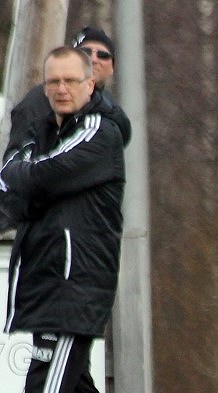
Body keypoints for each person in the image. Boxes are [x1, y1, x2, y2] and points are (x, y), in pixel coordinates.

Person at [0, 46, 152, 393]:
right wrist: (23, 175)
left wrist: (23, 173)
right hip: (48, 281)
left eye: (70, 81)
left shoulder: (99, 133)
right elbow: (17, 183)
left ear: (91, 85)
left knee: (42, 386)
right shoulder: (47, 131)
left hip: (75, 284)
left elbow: (36, 177)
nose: (61, 90)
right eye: (53, 82)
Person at [3, 26, 130, 238]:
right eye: (85, 52)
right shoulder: (38, 103)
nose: (94, 59)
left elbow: (52, 173)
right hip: (30, 230)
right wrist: (25, 204)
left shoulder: (104, 125)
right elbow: (15, 166)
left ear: (112, 67)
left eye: (103, 54)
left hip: (77, 238)